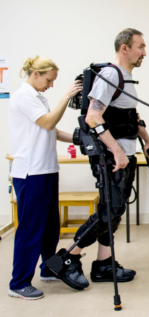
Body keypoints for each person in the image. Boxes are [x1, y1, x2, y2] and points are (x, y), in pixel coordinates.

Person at [53, 28, 149, 290]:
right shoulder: (111, 74)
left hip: (124, 153)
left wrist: (147, 139)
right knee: (108, 211)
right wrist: (118, 152)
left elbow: (129, 116)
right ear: (124, 48)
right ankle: (66, 259)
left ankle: (103, 263)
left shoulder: (127, 76)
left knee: (115, 209)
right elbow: (93, 117)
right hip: (110, 156)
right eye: (140, 46)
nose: (144, 52)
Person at [8, 56, 82, 300]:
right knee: (30, 228)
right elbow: (49, 123)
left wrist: (81, 137)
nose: (51, 85)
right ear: (35, 74)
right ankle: (18, 283)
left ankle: (48, 267)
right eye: (49, 80)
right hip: (31, 172)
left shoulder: (38, 97)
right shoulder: (23, 96)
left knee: (51, 226)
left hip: (47, 169)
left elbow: (50, 131)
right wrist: (66, 96)